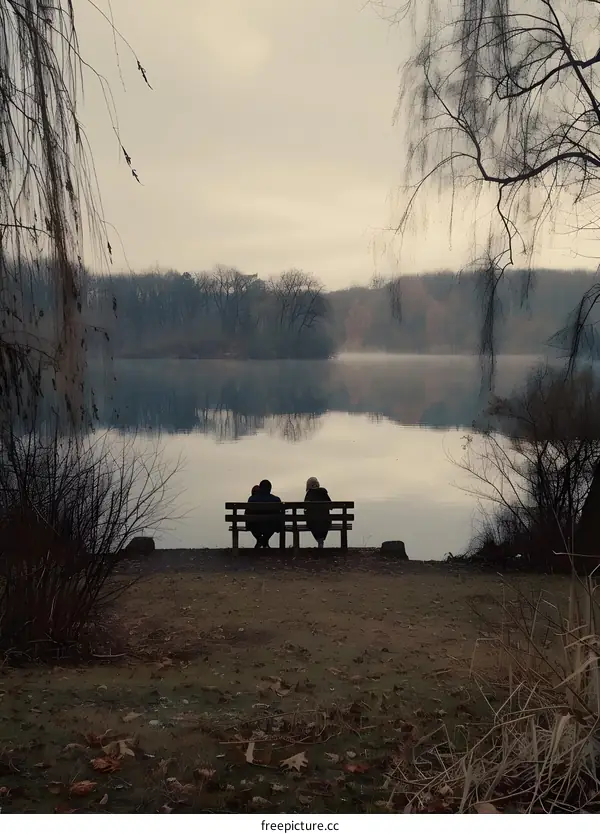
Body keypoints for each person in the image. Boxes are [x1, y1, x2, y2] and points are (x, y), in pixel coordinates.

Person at [245, 479, 284, 549]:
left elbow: (247, 514)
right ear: (270, 489)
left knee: (251, 522)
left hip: (255, 526)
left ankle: (260, 540)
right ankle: (265, 540)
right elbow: (280, 515)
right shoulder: (276, 500)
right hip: (271, 526)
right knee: (275, 522)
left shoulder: (252, 499)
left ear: (260, 488)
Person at [304, 476, 332, 549]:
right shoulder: (323, 492)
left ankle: (319, 541)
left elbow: (305, 506)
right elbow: (331, 506)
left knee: (313, 522)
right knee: (322, 522)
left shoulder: (309, 494)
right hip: (326, 521)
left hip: (312, 522)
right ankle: (321, 541)